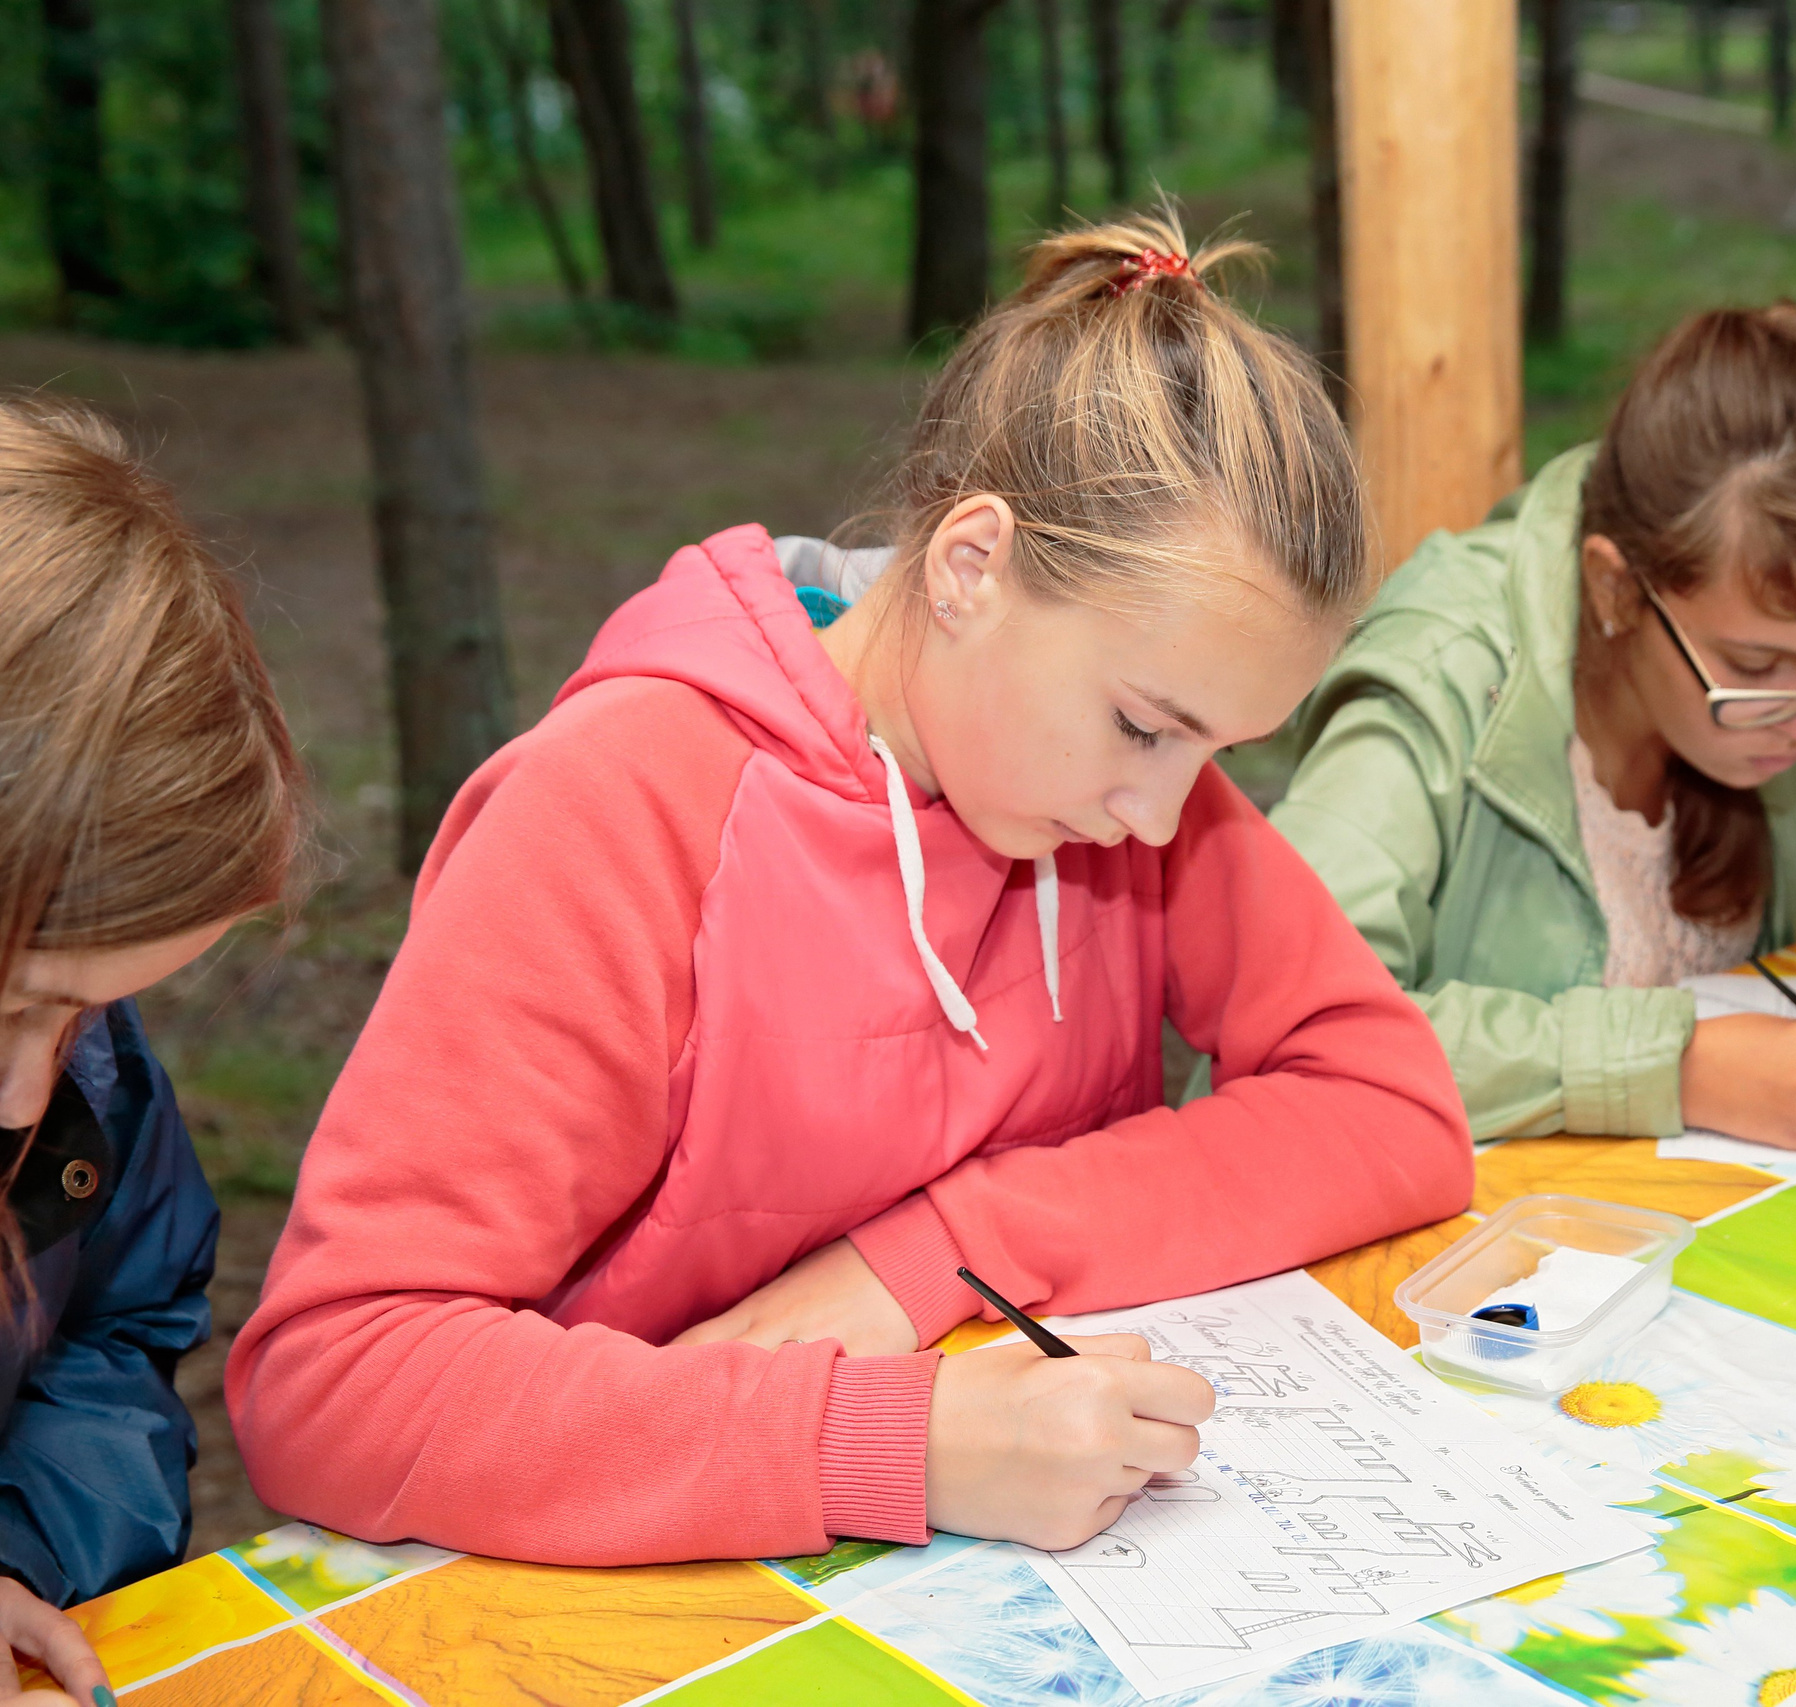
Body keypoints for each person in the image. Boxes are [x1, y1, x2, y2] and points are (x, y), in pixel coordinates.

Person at [226, 215, 1475, 1568]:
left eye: (1221, 750)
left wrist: (940, 1244)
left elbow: (1392, 1108)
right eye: (1144, 726)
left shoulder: (1124, 783)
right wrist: (889, 1439)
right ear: (970, 567)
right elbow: (332, 1377)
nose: (1163, 813)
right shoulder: (623, 804)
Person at [1266, 305, 1796, 1152]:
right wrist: (1676, 1069)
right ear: (1617, 592)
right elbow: (1298, 1020)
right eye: (1757, 667)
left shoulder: (1753, 691)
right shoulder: (1440, 679)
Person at [0, 399, 307, 1702]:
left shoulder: (92, 1075)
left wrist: (25, 1554)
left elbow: (117, 1329)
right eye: (17, 1001)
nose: (28, 1091)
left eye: (84, 1011)